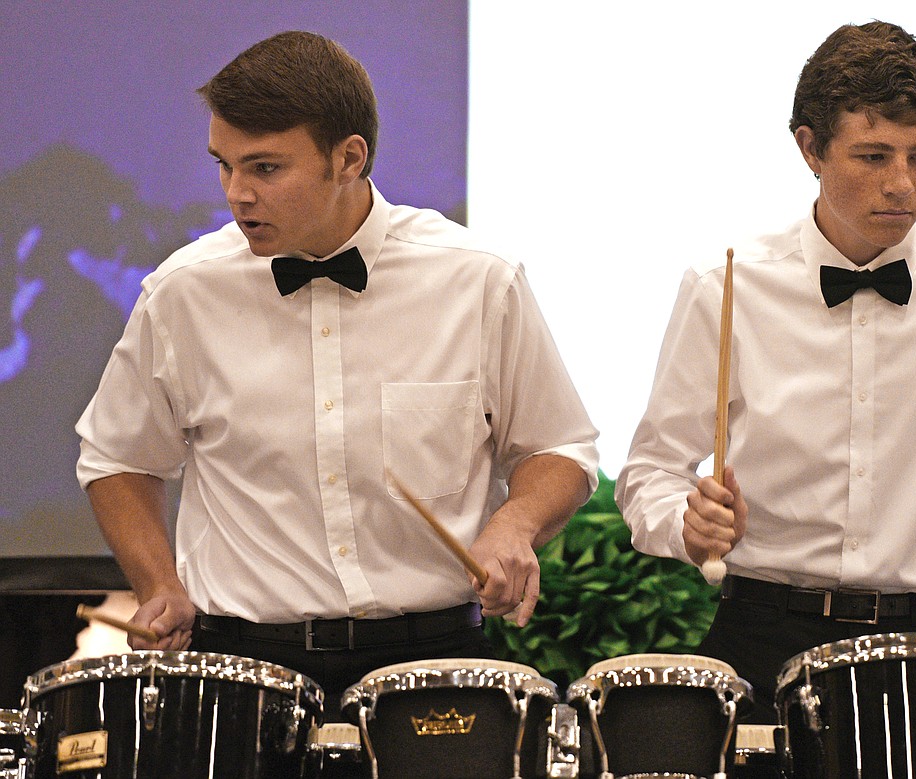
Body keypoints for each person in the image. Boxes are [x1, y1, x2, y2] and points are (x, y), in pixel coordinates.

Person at [76, 30, 598, 717]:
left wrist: (514, 523)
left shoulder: (476, 281)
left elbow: (559, 447)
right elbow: (116, 455)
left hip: (434, 660)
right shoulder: (183, 292)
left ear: (349, 158)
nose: (237, 194)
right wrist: (157, 581)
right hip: (243, 671)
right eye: (224, 166)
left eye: (264, 168)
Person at [616, 20, 916, 721]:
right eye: (873, 155)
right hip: (766, 637)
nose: (903, 184)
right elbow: (649, 475)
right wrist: (684, 526)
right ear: (809, 148)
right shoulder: (725, 285)